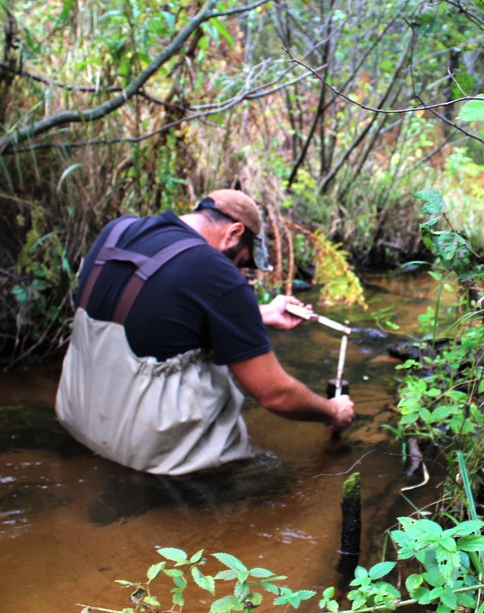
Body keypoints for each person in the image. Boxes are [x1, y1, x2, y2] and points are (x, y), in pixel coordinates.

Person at [56, 189, 354, 475]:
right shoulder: (215, 271)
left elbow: (156, 314)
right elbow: (274, 394)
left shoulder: (119, 231)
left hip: (79, 422)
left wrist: (258, 314)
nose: (240, 272)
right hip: (148, 457)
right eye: (244, 262)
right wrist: (332, 410)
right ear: (234, 232)